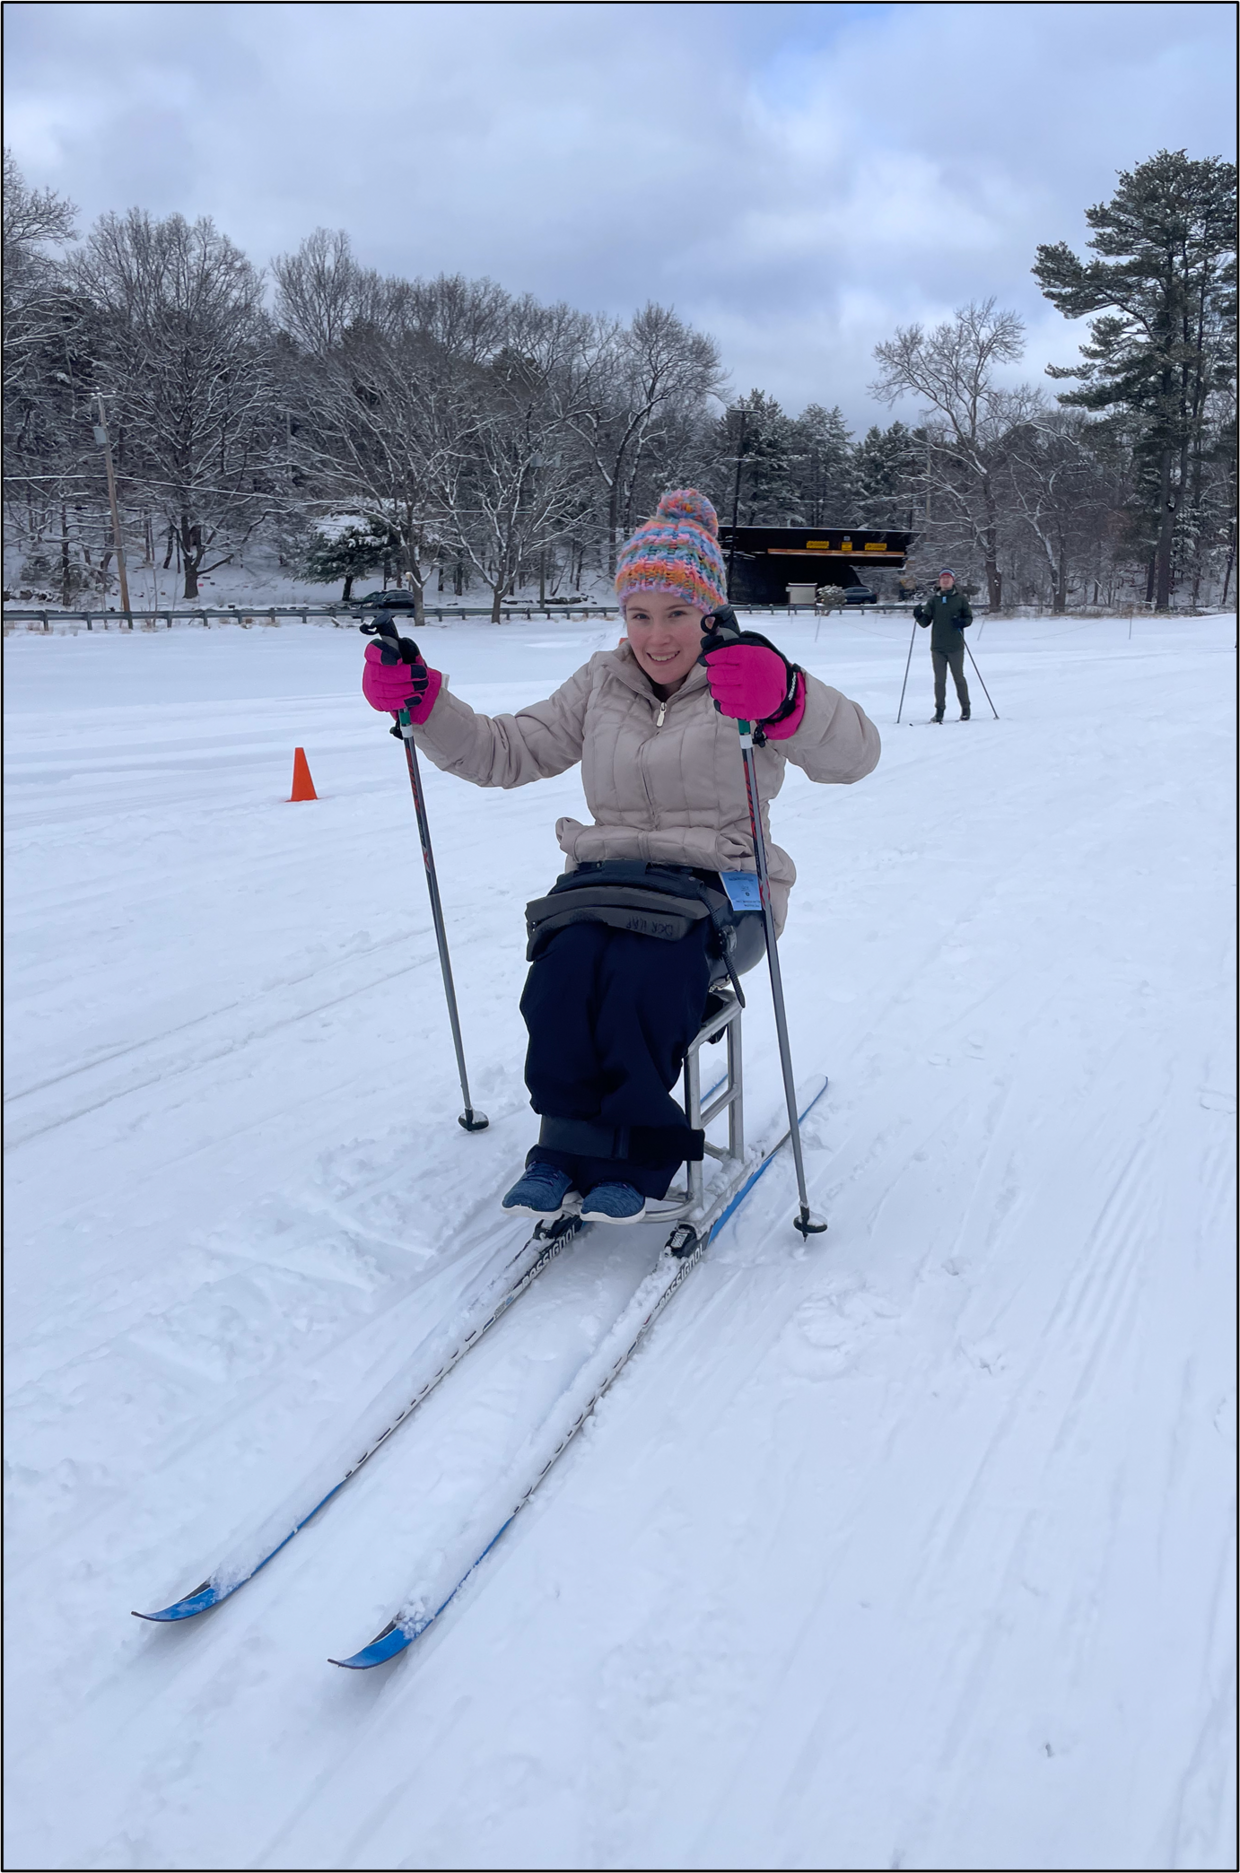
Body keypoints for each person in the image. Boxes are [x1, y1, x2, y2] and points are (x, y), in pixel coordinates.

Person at [361, 489, 880, 1223]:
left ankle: (636, 1153)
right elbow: (507, 750)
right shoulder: (602, 682)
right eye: (639, 615)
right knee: (561, 975)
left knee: (643, 977)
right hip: (608, 883)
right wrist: (424, 705)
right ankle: (563, 1148)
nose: (657, 636)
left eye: (677, 615)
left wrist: (786, 697)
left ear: (711, 612)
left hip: (720, 888)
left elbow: (857, 754)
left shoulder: (747, 675)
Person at [915, 568, 972, 721]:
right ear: (939, 581)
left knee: (959, 678)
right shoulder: (934, 600)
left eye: (948, 578)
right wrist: (919, 615)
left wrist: (961, 622)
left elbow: (969, 618)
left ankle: (965, 708)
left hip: (955, 646)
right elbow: (925, 622)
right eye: (943, 578)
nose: (945, 580)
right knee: (939, 680)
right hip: (938, 647)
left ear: (953, 580)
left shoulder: (960, 599)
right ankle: (939, 710)